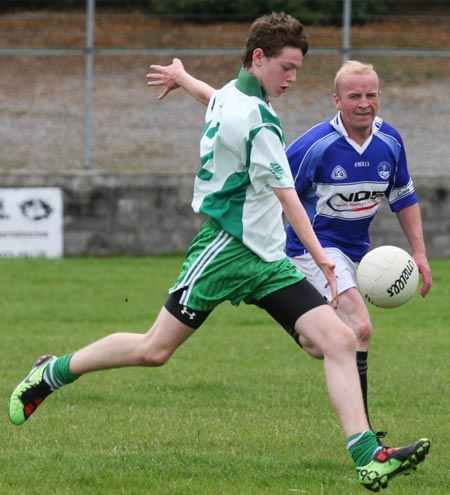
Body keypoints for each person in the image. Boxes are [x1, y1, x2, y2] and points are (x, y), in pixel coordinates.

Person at [10, 13, 429, 492]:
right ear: (259, 58)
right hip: (225, 251)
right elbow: (290, 198)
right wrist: (326, 262)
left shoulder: (235, 95)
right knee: (154, 351)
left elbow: (215, 100)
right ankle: (53, 371)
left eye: (297, 69)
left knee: (338, 340)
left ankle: (367, 456)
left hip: (266, 261)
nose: (293, 78)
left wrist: (183, 78)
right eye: (287, 67)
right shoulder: (257, 119)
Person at [146, 58, 432, 436]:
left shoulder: (391, 142)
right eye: (355, 96)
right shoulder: (315, 146)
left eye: (371, 95)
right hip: (312, 249)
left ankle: (297, 325)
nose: (364, 103)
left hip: (357, 250)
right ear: (336, 100)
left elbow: (404, 196)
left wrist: (420, 254)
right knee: (360, 327)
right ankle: (366, 436)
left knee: (324, 345)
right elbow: (261, 159)